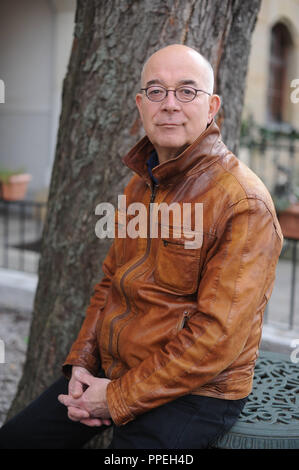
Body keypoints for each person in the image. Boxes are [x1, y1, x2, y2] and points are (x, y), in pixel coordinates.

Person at [0, 44, 283, 449]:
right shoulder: (141, 183)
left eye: (187, 91)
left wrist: (113, 399)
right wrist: (82, 364)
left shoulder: (242, 202)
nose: (169, 104)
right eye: (156, 91)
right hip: (119, 370)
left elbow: (215, 340)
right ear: (140, 104)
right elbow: (111, 281)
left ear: (213, 106)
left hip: (197, 392)